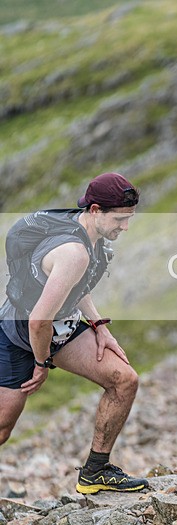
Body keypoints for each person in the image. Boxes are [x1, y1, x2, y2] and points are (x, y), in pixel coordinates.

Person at [0, 172, 148, 495]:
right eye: (120, 219)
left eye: (129, 219)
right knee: (2, 426)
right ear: (95, 210)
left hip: (60, 329)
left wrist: (98, 325)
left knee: (125, 380)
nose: (125, 227)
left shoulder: (89, 235)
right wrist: (41, 364)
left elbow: (74, 287)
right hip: (19, 334)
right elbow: (38, 321)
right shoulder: (74, 252)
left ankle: (95, 472)